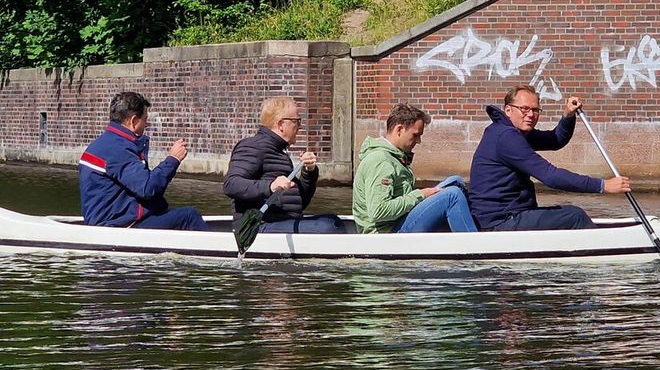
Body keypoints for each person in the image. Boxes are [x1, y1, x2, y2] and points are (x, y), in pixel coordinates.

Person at [469, 86, 631, 231]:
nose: (531, 115)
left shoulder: (511, 132)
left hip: (512, 215)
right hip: (499, 222)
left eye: (535, 110)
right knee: (574, 216)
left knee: (569, 214)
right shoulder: (506, 137)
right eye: (524, 109)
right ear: (508, 110)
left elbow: (555, 140)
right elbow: (550, 176)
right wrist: (602, 186)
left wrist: (568, 116)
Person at [79, 91, 209, 230]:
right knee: (189, 216)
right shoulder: (118, 149)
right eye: (145, 119)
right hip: (119, 225)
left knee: (171, 213)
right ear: (134, 121)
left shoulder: (106, 143)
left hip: (114, 220)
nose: (146, 124)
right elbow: (147, 188)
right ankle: (219, 250)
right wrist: (173, 159)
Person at [223, 96, 345, 234]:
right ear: (281, 124)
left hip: (283, 222)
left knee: (333, 220)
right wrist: (270, 186)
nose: (299, 126)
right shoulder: (252, 146)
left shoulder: (280, 154)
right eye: (296, 121)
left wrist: (308, 172)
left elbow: (299, 203)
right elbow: (231, 184)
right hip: (259, 226)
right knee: (329, 227)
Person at [352, 103, 477, 234]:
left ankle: (469, 229)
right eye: (415, 135)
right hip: (386, 233)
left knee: (455, 181)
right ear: (399, 130)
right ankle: (476, 248)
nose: (418, 141)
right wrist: (421, 195)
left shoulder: (393, 157)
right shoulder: (381, 161)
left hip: (399, 221)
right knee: (452, 195)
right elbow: (379, 211)